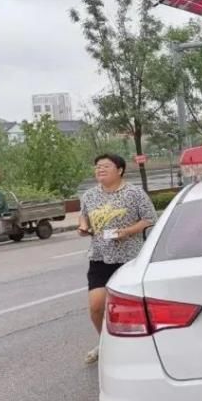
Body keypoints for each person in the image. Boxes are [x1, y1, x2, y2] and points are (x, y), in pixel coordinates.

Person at [77, 153, 157, 364]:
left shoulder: (134, 193)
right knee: (96, 305)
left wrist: (128, 231)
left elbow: (149, 219)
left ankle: (141, 345)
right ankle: (105, 342)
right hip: (100, 256)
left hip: (129, 257)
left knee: (132, 307)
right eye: (97, 167)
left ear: (119, 170)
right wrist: (83, 226)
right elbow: (83, 215)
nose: (99, 170)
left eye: (105, 166)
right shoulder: (89, 195)